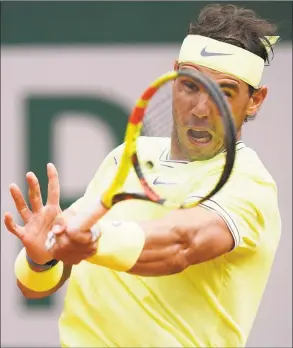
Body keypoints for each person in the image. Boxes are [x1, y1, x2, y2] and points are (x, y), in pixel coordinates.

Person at [5, 4, 281, 348]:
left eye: (223, 93)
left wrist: (91, 240)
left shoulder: (249, 182)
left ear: (255, 101)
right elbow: (35, 286)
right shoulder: (127, 157)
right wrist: (40, 257)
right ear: (175, 76)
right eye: (191, 86)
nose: (200, 108)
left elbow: (181, 244)